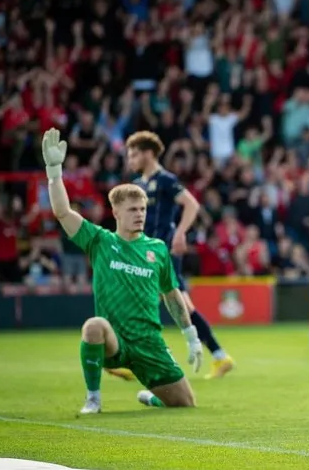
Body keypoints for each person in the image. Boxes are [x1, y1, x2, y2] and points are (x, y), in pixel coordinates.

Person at [41, 128, 202, 414]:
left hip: (149, 342)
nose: (140, 214)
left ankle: (152, 396)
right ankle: (93, 399)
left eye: (142, 209)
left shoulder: (158, 249)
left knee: (185, 403)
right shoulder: (100, 241)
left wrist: (190, 334)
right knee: (92, 327)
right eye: (132, 209)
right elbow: (63, 212)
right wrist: (54, 172)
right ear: (115, 212)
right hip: (114, 340)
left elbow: (172, 294)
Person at [105, 131, 234, 381]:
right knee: (182, 305)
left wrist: (180, 233)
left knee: (134, 298)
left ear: (148, 153)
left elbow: (192, 204)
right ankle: (219, 355)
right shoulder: (138, 184)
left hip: (161, 253)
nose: (130, 159)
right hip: (143, 252)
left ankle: (121, 355)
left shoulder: (165, 180)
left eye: (133, 154)